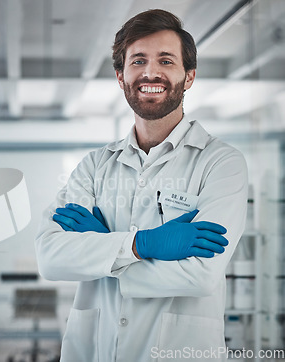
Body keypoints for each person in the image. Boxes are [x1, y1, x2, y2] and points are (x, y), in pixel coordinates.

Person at [35, 9, 247, 362]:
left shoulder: (221, 163)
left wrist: (103, 249)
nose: (151, 72)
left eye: (166, 60)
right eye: (138, 61)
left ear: (189, 76)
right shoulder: (94, 166)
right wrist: (141, 244)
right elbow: (51, 258)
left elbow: (199, 275)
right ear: (121, 77)